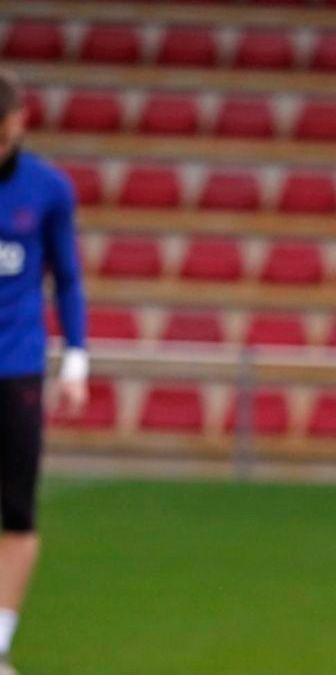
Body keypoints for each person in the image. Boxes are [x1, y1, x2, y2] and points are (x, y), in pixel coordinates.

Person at [0, 70, 89, 675]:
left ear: (18, 122)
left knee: (17, 512)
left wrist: (76, 358)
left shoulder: (48, 190)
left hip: (17, 369)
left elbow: (69, 278)